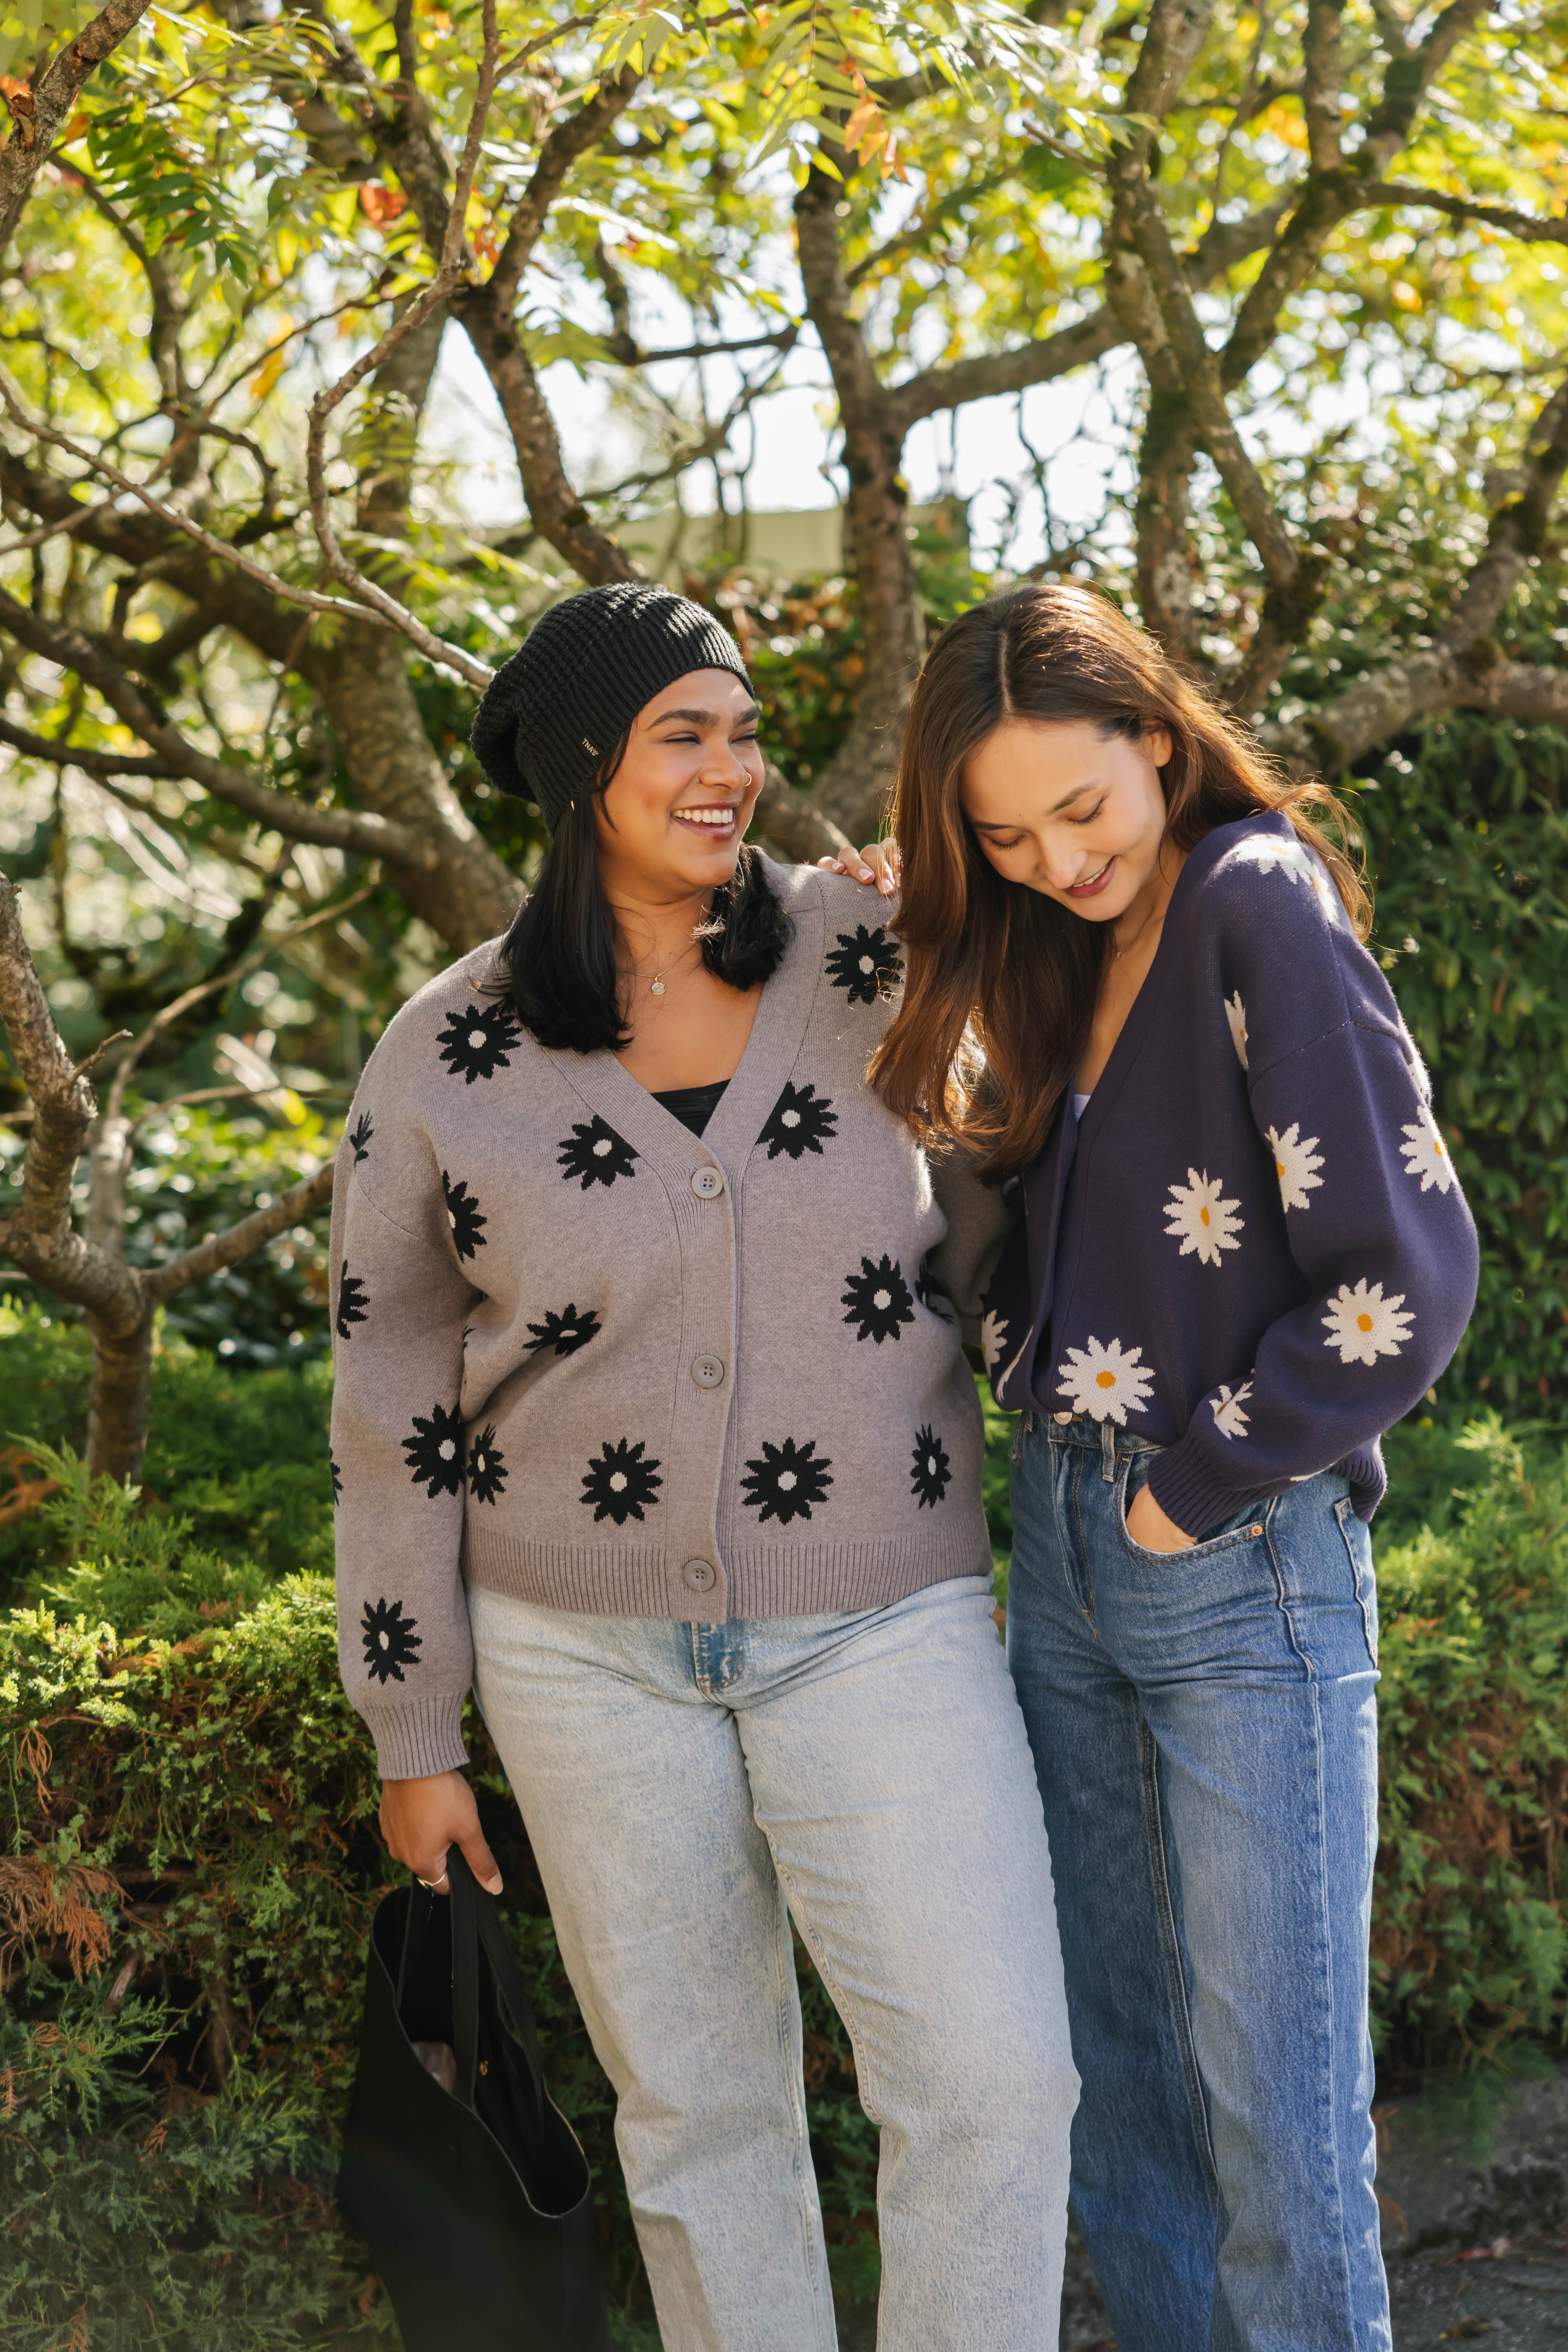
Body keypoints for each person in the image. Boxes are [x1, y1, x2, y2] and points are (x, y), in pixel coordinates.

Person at [327, 583, 1078, 2352]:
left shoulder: (871, 953)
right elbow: (390, 1406)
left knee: (993, 2084)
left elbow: (1015, 1207)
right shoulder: (447, 1052)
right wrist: (411, 1735)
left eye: (741, 732)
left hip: (882, 1620)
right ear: (587, 766)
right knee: (698, 2121)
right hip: (576, 1663)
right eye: (689, 734)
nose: (735, 768)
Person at [867, 583, 1479, 2352]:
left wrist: (1193, 1486)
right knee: (1118, 2081)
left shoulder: (1250, 899)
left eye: (1084, 805)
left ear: (1155, 735)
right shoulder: (1061, 945)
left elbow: (1402, 1285)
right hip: (1063, 1546)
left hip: (1227, 1546)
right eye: (1005, 834)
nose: (1058, 856)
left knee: (1275, 2119)